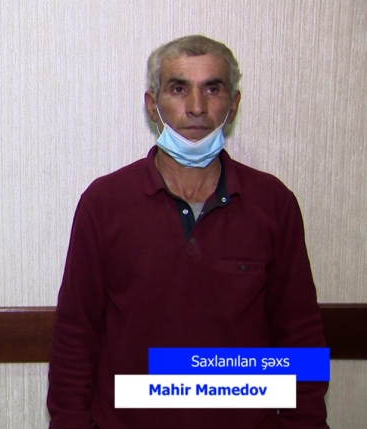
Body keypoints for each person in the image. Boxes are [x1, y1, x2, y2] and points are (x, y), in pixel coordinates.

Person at [47, 35, 328, 428]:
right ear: (152, 105)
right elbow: (76, 333)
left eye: (212, 89)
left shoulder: (273, 204)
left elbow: (299, 332)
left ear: (233, 105)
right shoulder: (104, 203)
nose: (196, 107)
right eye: (179, 89)